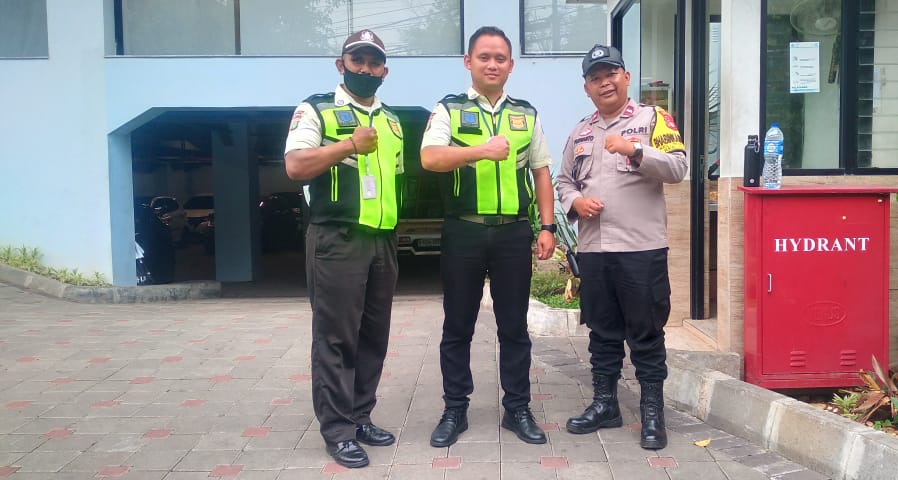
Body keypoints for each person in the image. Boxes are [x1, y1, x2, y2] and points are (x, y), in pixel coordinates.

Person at [420, 26, 557, 448]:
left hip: (513, 232)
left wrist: (547, 226)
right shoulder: (449, 108)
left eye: (500, 58)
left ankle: (517, 408)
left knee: (513, 326)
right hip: (463, 230)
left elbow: (541, 171)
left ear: (511, 65)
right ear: (469, 62)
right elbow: (430, 157)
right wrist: (480, 150)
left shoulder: (526, 114)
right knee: (457, 325)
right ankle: (454, 410)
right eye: (484, 57)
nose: (492, 64)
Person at [555, 44, 688, 450]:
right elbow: (564, 181)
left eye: (611, 74)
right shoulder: (580, 132)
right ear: (587, 88)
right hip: (595, 250)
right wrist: (576, 203)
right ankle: (605, 404)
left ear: (626, 78)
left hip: (640, 250)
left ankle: (652, 413)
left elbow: (678, 168)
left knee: (646, 333)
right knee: (602, 331)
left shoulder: (653, 119)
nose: (605, 82)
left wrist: (635, 150)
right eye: (595, 78)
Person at [283, 29, 404, 469]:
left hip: (381, 241)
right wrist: (350, 144)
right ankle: (337, 431)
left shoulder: (392, 121)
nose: (365, 69)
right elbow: (295, 166)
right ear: (341, 65)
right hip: (336, 240)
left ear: (384, 71)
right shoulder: (315, 109)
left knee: (373, 336)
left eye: (374, 63)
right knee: (335, 338)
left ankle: (360, 416)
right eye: (358, 61)